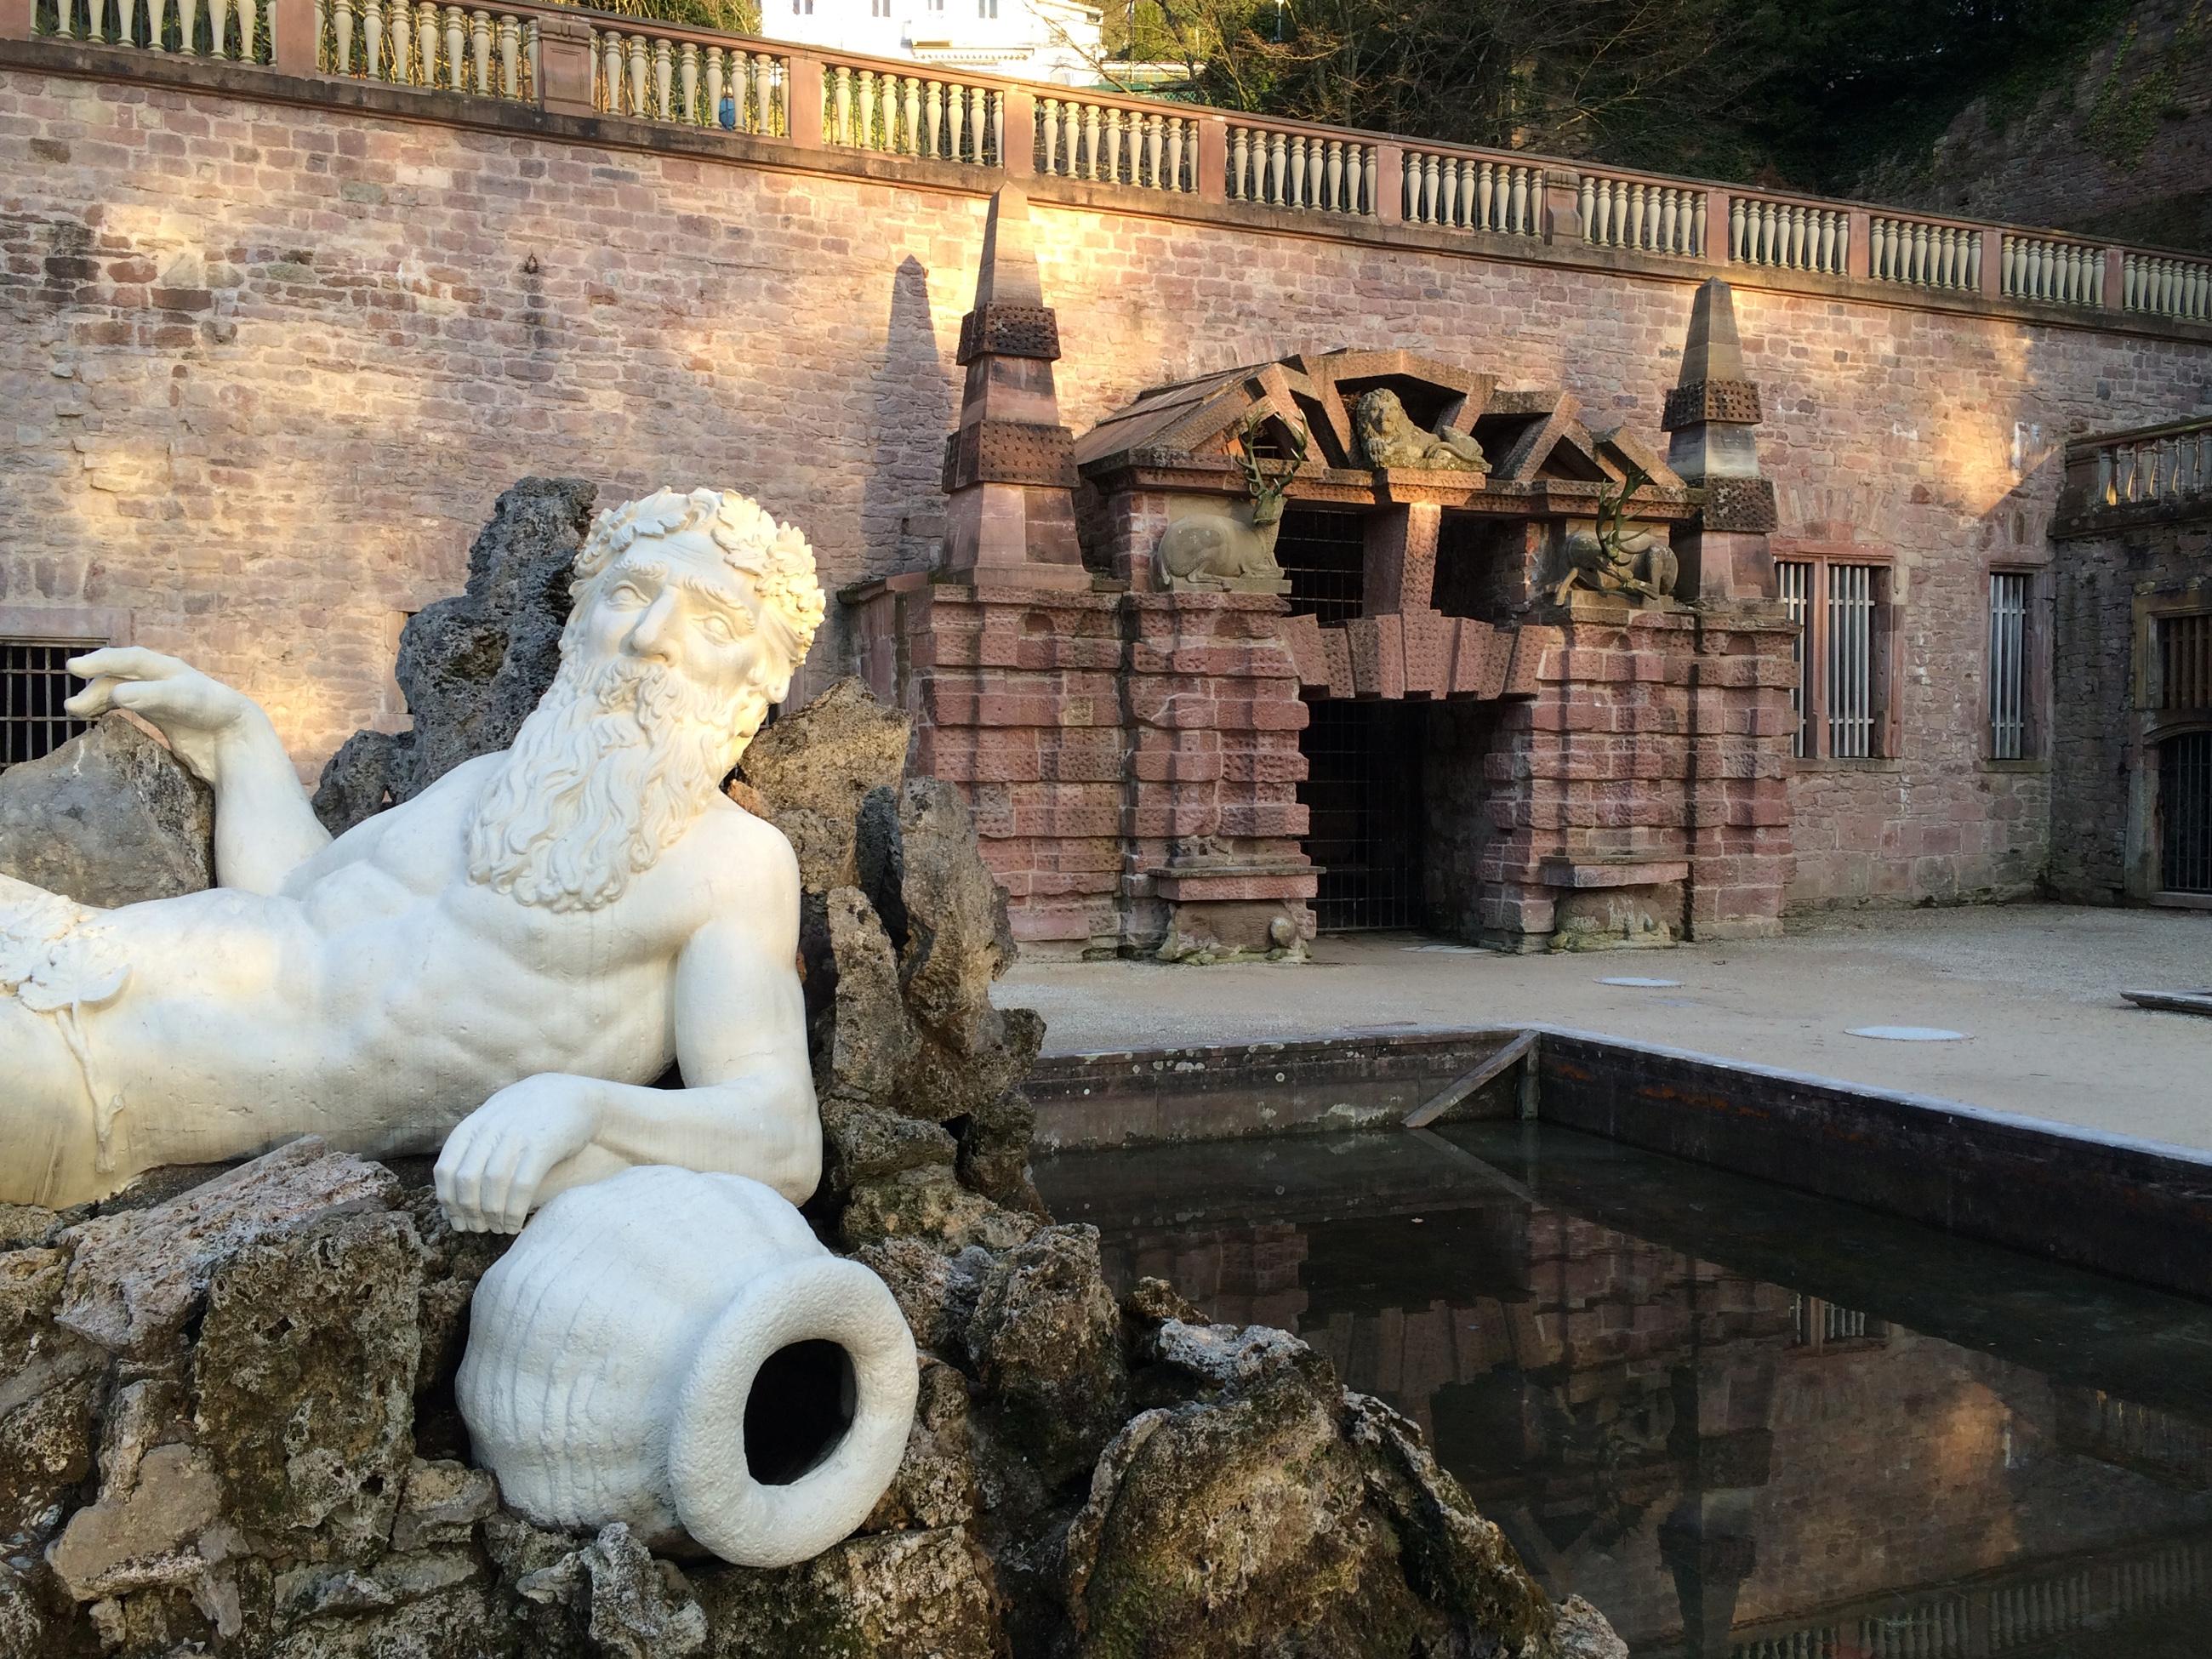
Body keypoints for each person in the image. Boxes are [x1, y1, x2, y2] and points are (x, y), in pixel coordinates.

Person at [0, 487, 827, 1233]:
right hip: (80, 950)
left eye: (711, 623)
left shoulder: (734, 865)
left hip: (98, 1077)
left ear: (758, 678)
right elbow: (294, 901)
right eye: (629, 595)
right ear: (580, 624)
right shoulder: (488, 781)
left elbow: (779, 1135)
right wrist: (237, 735)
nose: (649, 638)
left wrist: (585, 1110)